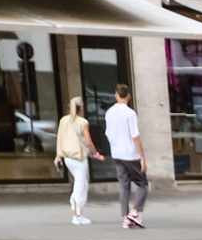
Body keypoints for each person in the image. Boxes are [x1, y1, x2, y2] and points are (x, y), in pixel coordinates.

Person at [105, 84, 147, 229]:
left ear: (116, 95)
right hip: (130, 153)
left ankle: (125, 217)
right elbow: (135, 136)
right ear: (128, 95)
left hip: (116, 153)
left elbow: (108, 135)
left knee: (124, 185)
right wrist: (142, 156)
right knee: (142, 184)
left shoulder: (109, 113)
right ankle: (135, 212)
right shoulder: (130, 113)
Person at [55, 96, 100, 225]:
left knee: (81, 183)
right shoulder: (82, 122)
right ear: (82, 107)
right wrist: (96, 153)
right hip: (79, 158)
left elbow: (60, 138)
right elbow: (88, 141)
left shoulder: (64, 120)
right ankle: (77, 214)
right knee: (80, 184)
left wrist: (58, 155)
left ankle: (77, 210)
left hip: (68, 158)